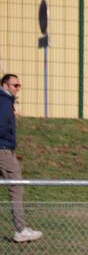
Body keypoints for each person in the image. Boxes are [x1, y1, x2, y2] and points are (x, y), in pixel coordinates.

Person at [0, 74, 42, 244]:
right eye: (14, 85)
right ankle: (20, 230)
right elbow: (1, 126)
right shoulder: (4, 101)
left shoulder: (6, 101)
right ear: (5, 86)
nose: (18, 88)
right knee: (16, 186)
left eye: (19, 85)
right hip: (3, 150)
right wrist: (7, 138)